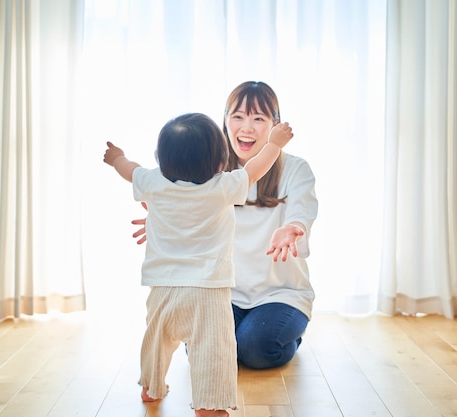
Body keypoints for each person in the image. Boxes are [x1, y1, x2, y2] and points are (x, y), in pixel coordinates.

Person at [103, 112, 294, 416]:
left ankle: (150, 386)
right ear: (220, 162)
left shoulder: (152, 181)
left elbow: (129, 169)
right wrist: (273, 144)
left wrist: (116, 157)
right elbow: (255, 171)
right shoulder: (222, 186)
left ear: (161, 159)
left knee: (157, 341)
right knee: (212, 354)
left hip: (163, 288)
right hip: (208, 291)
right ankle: (210, 405)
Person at [132, 81, 318, 370]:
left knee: (256, 349)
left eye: (258, 119)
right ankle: (243, 337)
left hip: (280, 294)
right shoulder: (208, 170)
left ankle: (285, 337)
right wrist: (165, 222)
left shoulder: (295, 168)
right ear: (225, 121)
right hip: (222, 292)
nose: (247, 127)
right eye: (238, 117)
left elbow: (302, 209)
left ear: (274, 125)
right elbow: (183, 204)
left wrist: (293, 227)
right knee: (205, 354)